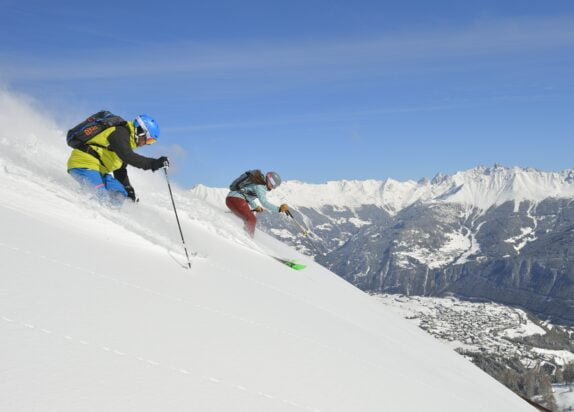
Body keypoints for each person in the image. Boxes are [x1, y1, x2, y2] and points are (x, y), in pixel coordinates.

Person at [67, 114, 169, 206]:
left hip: (99, 171)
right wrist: (154, 163)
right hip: (83, 164)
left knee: (120, 194)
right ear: (140, 131)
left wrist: (128, 189)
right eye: (148, 139)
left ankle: (112, 218)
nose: (146, 143)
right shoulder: (119, 133)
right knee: (101, 196)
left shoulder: (127, 142)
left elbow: (120, 169)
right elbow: (127, 156)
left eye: (151, 142)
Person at [226, 170, 289, 237]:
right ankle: (248, 238)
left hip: (232, 199)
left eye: (275, 185)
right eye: (272, 183)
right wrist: (278, 209)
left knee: (245, 218)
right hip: (235, 199)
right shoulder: (260, 186)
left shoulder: (258, 185)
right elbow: (264, 203)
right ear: (268, 178)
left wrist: (255, 207)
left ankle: (241, 235)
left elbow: (246, 196)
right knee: (251, 219)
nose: (272, 186)